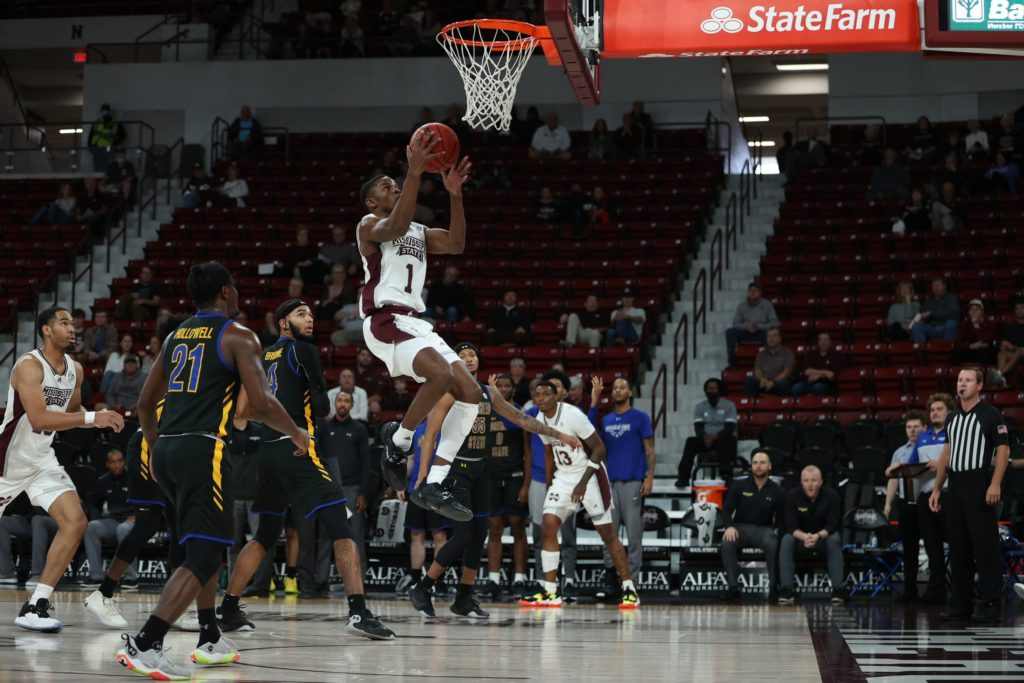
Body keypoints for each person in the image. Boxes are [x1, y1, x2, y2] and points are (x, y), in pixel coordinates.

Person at [115, 263, 309, 677]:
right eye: (235, 287)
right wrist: (296, 432)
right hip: (203, 449)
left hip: (165, 448)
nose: (238, 293)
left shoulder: (174, 336)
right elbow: (259, 404)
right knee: (204, 553)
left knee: (202, 546)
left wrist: (155, 447)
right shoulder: (239, 336)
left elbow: (145, 405)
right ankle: (147, 642)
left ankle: (209, 635)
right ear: (225, 292)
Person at [217, 300, 393, 639]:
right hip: (298, 447)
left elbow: (242, 409)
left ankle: (228, 607)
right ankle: (358, 612)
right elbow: (324, 405)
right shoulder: (304, 351)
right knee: (343, 529)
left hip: (267, 451)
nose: (310, 319)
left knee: (266, 534)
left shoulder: (259, 357)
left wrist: (273, 420)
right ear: (284, 324)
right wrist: (301, 420)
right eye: (301, 314)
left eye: (311, 314)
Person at [357, 138, 482, 521]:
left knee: (471, 392)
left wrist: (455, 196)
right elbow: (395, 225)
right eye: (385, 186)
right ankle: (399, 442)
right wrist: (412, 172)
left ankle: (433, 482)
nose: (393, 186)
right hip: (384, 319)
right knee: (442, 375)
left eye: (396, 183)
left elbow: (457, 244)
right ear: (372, 203)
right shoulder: (369, 225)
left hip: (414, 321)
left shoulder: (419, 231)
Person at [408, 345, 581, 618]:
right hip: (455, 471)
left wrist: (559, 434)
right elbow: (430, 435)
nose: (469, 359)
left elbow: (522, 418)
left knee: (480, 535)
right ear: (453, 361)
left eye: (473, 355)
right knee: (463, 534)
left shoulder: (489, 393)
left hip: (482, 470)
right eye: (462, 356)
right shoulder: (449, 392)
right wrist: (422, 476)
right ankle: (424, 586)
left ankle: (464, 598)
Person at [1, 306, 125, 633]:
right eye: (64, 322)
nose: (73, 328)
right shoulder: (29, 366)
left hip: (41, 460)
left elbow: (72, 411)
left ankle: (36, 604)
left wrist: (99, 414)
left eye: (74, 323)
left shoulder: (76, 370)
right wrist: (89, 418)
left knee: (76, 521)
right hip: (9, 461)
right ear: (45, 329)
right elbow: (40, 418)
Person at [513, 375, 640, 610]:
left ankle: (629, 588)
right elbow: (549, 452)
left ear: (558, 395)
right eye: (537, 395)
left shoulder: (573, 415)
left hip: (589, 474)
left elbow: (600, 449)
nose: (540, 398)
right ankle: (551, 592)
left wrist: (582, 483)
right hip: (564, 476)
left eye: (546, 394)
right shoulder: (540, 419)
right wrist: (552, 483)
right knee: (548, 526)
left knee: (607, 533)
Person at [929, 369, 1010, 623]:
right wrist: (936, 488)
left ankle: (990, 603)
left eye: (967, 380)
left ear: (979, 385)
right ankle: (961, 604)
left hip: (979, 482)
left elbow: (1004, 449)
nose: (962, 384)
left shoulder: (990, 413)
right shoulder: (952, 417)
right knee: (958, 546)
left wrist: (995, 484)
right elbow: (946, 454)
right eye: (959, 380)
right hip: (955, 485)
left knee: (985, 546)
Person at [588, 377, 654, 600]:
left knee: (634, 536)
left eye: (622, 387)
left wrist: (650, 478)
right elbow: (590, 438)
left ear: (630, 393)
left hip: (633, 482)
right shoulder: (606, 420)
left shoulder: (640, 418)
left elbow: (649, 450)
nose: (617, 390)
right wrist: (594, 402)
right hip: (610, 483)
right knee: (609, 534)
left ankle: (630, 583)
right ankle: (611, 579)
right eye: (614, 387)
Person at [884, 398, 950, 604]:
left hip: (948, 495)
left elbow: (957, 462)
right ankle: (933, 592)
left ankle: (957, 593)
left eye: (940, 409)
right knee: (931, 546)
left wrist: (937, 464)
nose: (935, 412)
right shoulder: (923, 439)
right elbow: (911, 466)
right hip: (922, 497)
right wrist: (897, 470)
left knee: (956, 545)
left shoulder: (954, 434)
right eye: (932, 409)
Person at [483, 373, 530, 600]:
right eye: (498, 385)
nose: (502, 388)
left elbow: (528, 451)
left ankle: (519, 578)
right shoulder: (486, 411)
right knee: (494, 528)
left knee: (518, 526)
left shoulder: (520, 412)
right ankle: (493, 580)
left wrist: (526, 485)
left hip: (515, 475)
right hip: (491, 476)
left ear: (513, 388)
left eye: (506, 385)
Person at [394, 421, 450, 597]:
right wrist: (402, 483)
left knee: (439, 535)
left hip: (438, 488)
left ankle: (438, 579)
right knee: (416, 534)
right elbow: (410, 460)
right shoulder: (418, 429)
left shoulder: (448, 428)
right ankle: (415, 576)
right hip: (416, 489)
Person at [320, 390, 374, 576]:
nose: (343, 404)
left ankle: (359, 578)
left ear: (352, 405)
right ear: (334, 403)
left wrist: (363, 494)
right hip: (329, 489)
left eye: (346, 401)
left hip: (352, 489)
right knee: (326, 535)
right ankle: (320, 580)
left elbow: (366, 464)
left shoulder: (359, 429)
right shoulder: (325, 427)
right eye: (339, 400)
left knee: (355, 535)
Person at [719, 450, 784, 601]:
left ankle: (774, 587)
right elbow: (726, 510)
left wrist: (777, 531)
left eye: (762, 463)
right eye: (755, 463)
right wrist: (729, 526)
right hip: (740, 528)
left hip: (764, 530)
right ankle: (733, 587)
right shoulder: (739, 486)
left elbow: (782, 518)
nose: (758, 466)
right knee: (727, 542)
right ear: (751, 466)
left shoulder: (777, 491)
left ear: (769, 466)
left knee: (773, 542)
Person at [778, 465, 844, 605]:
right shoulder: (792, 496)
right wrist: (805, 537)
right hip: (800, 539)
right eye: (806, 480)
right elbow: (790, 526)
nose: (809, 484)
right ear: (801, 482)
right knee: (786, 540)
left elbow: (832, 525)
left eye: (813, 480)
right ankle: (787, 589)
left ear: (820, 482)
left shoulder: (832, 495)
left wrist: (817, 536)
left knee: (834, 539)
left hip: (823, 539)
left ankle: (838, 589)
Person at [81, 448, 137, 587]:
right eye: (113, 462)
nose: (116, 465)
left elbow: (146, 500)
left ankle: (131, 577)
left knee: (123, 529)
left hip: (133, 519)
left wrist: (137, 516)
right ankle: (96, 576)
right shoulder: (103, 481)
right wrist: (98, 518)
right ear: (107, 464)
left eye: (119, 461)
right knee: (91, 527)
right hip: (113, 520)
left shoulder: (134, 477)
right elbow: (94, 503)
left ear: (124, 462)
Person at [676, 378, 738, 488]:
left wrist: (715, 437)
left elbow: (730, 427)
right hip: (705, 439)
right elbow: (698, 427)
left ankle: (726, 476)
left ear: (719, 390)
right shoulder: (700, 407)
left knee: (727, 440)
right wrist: (704, 436)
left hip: (723, 438)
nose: (711, 391)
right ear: (705, 391)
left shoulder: (729, 405)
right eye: (709, 389)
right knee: (691, 441)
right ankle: (683, 477)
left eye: (714, 388)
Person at [726, 283, 779, 367]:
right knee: (730, 332)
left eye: (755, 290)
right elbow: (736, 323)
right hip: (745, 331)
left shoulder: (767, 304)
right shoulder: (741, 306)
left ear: (760, 293)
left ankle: (769, 362)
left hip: (761, 331)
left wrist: (759, 326)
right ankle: (732, 361)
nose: (753, 292)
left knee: (771, 334)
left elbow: (775, 322)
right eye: (751, 290)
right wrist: (746, 327)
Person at [743, 328, 796, 397]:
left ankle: (784, 407)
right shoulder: (761, 354)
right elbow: (757, 372)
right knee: (749, 380)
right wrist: (762, 379)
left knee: (783, 384)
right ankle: (749, 406)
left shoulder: (788, 353)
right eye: (769, 336)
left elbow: (787, 372)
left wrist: (773, 382)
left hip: (778, 382)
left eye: (774, 336)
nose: (771, 338)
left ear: (780, 338)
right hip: (764, 382)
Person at [791, 332, 845, 397]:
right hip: (809, 383)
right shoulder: (810, 354)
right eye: (821, 340)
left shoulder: (836, 355)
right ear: (818, 342)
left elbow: (831, 374)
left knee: (818, 387)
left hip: (827, 384)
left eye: (826, 340)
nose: (823, 342)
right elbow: (807, 371)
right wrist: (824, 372)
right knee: (796, 388)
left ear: (830, 342)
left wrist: (817, 376)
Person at [910, 277, 959, 342]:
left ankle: (948, 348)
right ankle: (920, 350)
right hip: (930, 328)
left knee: (951, 323)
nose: (936, 288)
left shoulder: (951, 299)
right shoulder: (929, 301)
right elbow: (922, 314)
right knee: (916, 324)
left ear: (944, 286)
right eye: (934, 286)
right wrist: (914, 320)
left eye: (938, 285)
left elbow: (951, 315)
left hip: (943, 327)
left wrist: (931, 313)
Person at [951, 299, 997, 366]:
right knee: (956, 351)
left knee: (984, 350)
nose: (974, 312)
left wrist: (976, 326)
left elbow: (986, 340)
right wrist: (971, 346)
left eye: (977, 309)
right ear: (969, 312)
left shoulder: (989, 324)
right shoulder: (965, 324)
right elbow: (958, 342)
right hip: (970, 349)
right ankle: (956, 373)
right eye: (971, 309)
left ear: (982, 312)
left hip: (983, 352)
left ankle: (983, 373)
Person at [994, 297, 1024, 385]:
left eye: (1022, 308)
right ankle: (1000, 379)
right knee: (1001, 354)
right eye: (1017, 308)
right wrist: (1003, 345)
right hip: (1013, 353)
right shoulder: (1009, 327)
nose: (1019, 310)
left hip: (1021, 351)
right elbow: (1002, 343)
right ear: (1014, 311)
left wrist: (1013, 347)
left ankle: (999, 374)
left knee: (1019, 350)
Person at [88, 104, 125, 172]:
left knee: (109, 164)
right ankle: (99, 179)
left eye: (106, 111)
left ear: (109, 111)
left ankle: (109, 177)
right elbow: (91, 134)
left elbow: (123, 135)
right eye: (103, 111)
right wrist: (90, 146)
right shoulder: (97, 122)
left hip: (109, 147)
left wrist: (114, 144)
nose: (104, 112)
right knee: (98, 164)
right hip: (97, 147)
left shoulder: (115, 123)